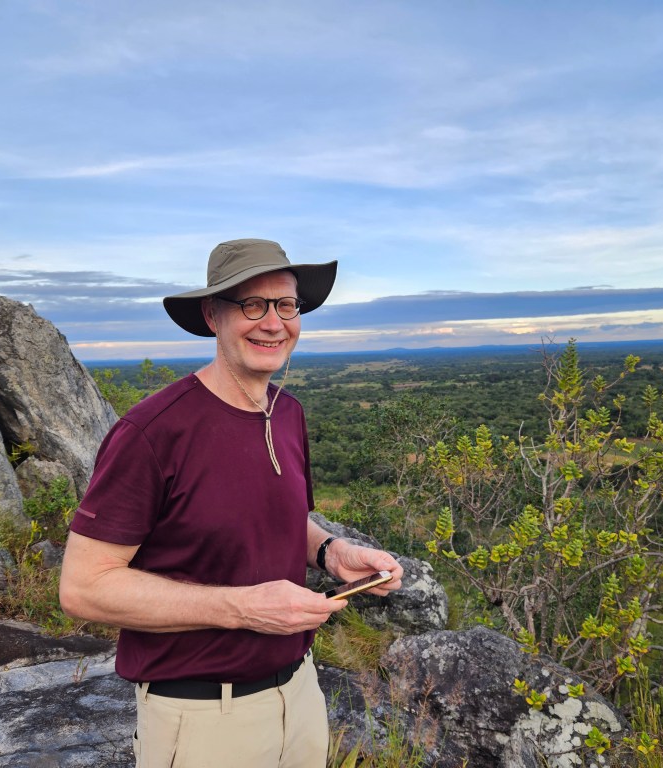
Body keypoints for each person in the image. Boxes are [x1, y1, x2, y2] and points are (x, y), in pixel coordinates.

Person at [59, 238, 404, 768]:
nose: (274, 323)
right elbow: (84, 588)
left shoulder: (287, 412)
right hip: (201, 716)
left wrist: (331, 552)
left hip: (300, 693)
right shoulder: (152, 432)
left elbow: (279, 519)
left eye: (286, 305)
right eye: (252, 305)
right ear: (212, 315)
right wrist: (243, 608)